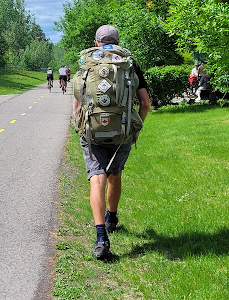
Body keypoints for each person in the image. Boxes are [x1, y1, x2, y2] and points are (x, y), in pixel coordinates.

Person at [73, 25, 150, 260]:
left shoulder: (87, 62)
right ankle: (112, 218)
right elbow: (145, 102)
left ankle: (100, 238)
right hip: (122, 132)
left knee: (97, 179)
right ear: (117, 42)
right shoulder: (128, 63)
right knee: (114, 175)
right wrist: (136, 128)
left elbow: (78, 100)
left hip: (92, 132)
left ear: (96, 43)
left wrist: (79, 125)